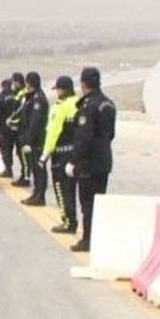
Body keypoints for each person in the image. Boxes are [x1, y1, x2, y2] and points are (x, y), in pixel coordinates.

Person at [66, 67, 116, 252]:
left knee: (88, 204)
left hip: (88, 163)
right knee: (98, 202)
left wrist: (73, 160)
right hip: (104, 161)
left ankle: (88, 240)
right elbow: (110, 134)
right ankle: (95, 237)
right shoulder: (108, 104)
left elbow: (83, 138)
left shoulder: (89, 106)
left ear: (83, 83)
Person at [39, 76, 78, 233]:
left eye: (58, 90)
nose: (57, 93)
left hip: (61, 154)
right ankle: (72, 219)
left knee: (61, 189)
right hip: (75, 153)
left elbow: (53, 133)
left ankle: (68, 221)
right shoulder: (78, 104)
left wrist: (45, 154)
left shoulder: (60, 107)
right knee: (72, 189)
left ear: (63, 89)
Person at [19, 71, 49, 206]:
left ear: (29, 83)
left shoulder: (38, 99)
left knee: (39, 168)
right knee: (35, 169)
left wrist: (29, 141)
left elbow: (35, 122)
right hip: (34, 139)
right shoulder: (32, 97)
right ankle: (36, 193)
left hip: (38, 140)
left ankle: (40, 195)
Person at [0, 78, 19, 178]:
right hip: (15, 128)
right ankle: (14, 169)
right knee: (11, 148)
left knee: (4, 149)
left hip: (3, 128)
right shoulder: (16, 96)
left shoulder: (1, 97)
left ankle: (8, 169)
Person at [6, 72, 31, 186]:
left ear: (18, 82)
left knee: (23, 155)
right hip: (17, 128)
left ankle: (26, 177)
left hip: (21, 129)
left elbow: (21, 112)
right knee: (20, 153)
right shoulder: (17, 93)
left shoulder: (23, 94)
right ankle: (23, 175)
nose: (13, 84)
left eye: (14, 82)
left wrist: (13, 123)